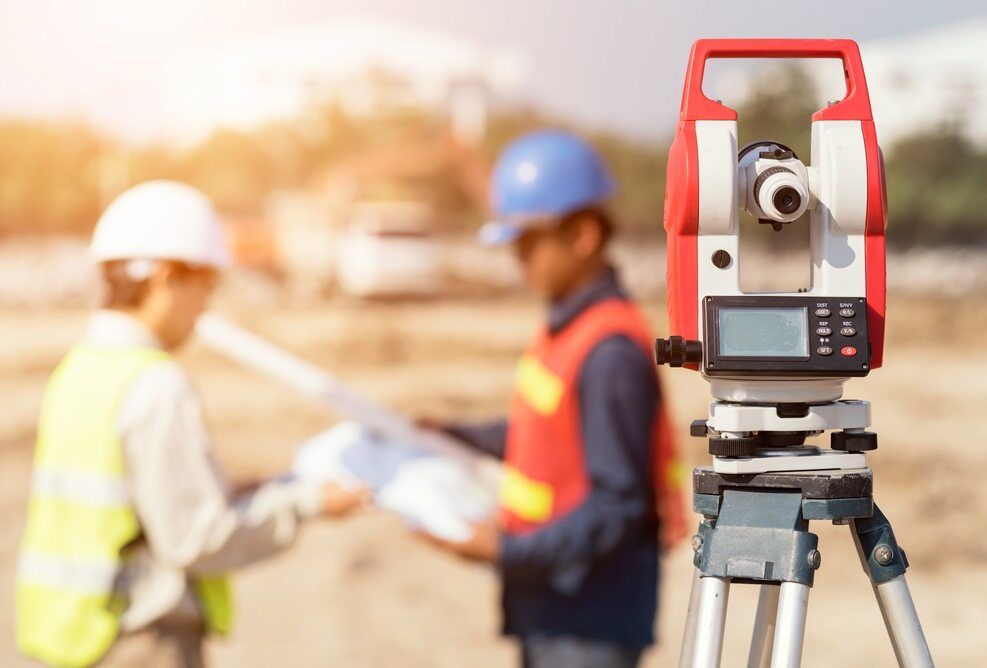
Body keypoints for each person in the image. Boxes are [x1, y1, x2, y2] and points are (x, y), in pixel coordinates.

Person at [15, 180, 369, 668]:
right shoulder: (157, 385)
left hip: (74, 635)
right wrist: (309, 502)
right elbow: (196, 540)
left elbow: (121, 504)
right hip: (139, 642)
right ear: (166, 278)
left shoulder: (79, 369)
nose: (206, 308)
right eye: (205, 287)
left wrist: (227, 491)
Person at [420, 131, 688, 668]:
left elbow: (619, 506)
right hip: (554, 605)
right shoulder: (569, 328)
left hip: (588, 621)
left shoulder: (608, 351)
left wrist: (504, 552)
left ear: (583, 235)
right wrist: (449, 434)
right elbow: (542, 439)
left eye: (528, 242)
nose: (519, 260)